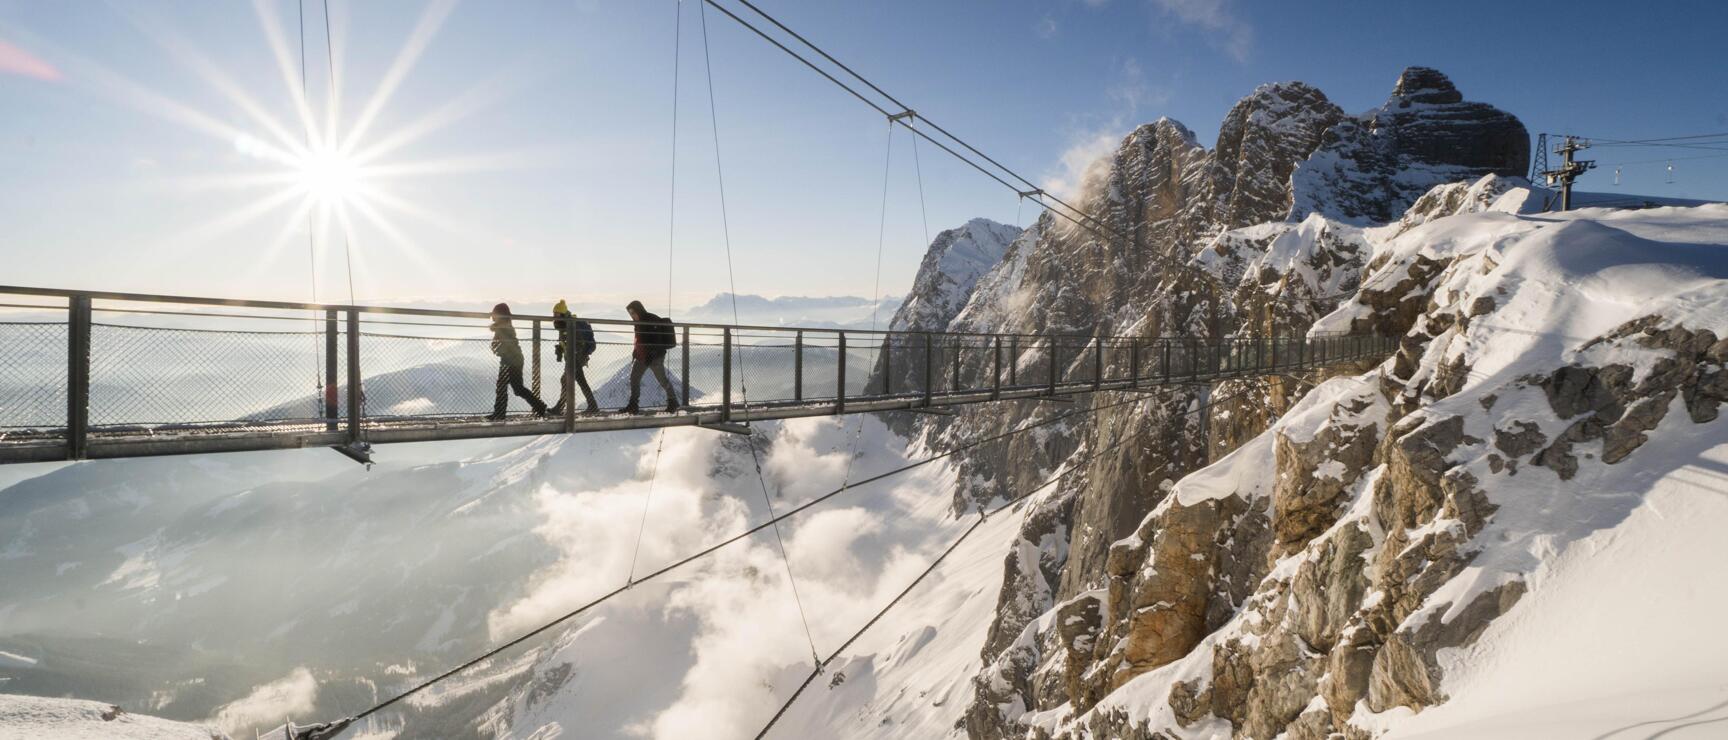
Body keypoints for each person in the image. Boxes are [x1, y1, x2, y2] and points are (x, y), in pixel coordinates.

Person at [487, 303, 548, 420]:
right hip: (514, 359)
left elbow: (506, 344)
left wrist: (497, 349)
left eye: (494, 313)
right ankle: (540, 406)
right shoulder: (504, 325)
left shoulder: (503, 327)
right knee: (517, 388)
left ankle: (499, 414)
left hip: (510, 360)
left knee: (503, 387)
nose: (493, 316)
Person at [622, 299, 680, 414]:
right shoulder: (638, 323)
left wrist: (652, 354)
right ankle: (633, 405)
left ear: (639, 310)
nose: (632, 316)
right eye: (630, 314)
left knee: (662, 380)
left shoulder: (650, 320)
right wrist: (635, 351)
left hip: (655, 357)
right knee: (634, 378)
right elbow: (639, 339)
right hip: (642, 356)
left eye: (633, 313)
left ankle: (673, 402)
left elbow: (657, 340)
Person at [548, 299, 600, 415]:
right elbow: (566, 341)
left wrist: (574, 353)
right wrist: (560, 348)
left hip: (576, 357)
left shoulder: (571, 323)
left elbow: (578, 342)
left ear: (562, 314)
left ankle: (561, 408)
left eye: (556, 314)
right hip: (573, 357)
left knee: (569, 380)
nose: (554, 316)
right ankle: (592, 406)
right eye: (554, 314)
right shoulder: (563, 324)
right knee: (577, 381)